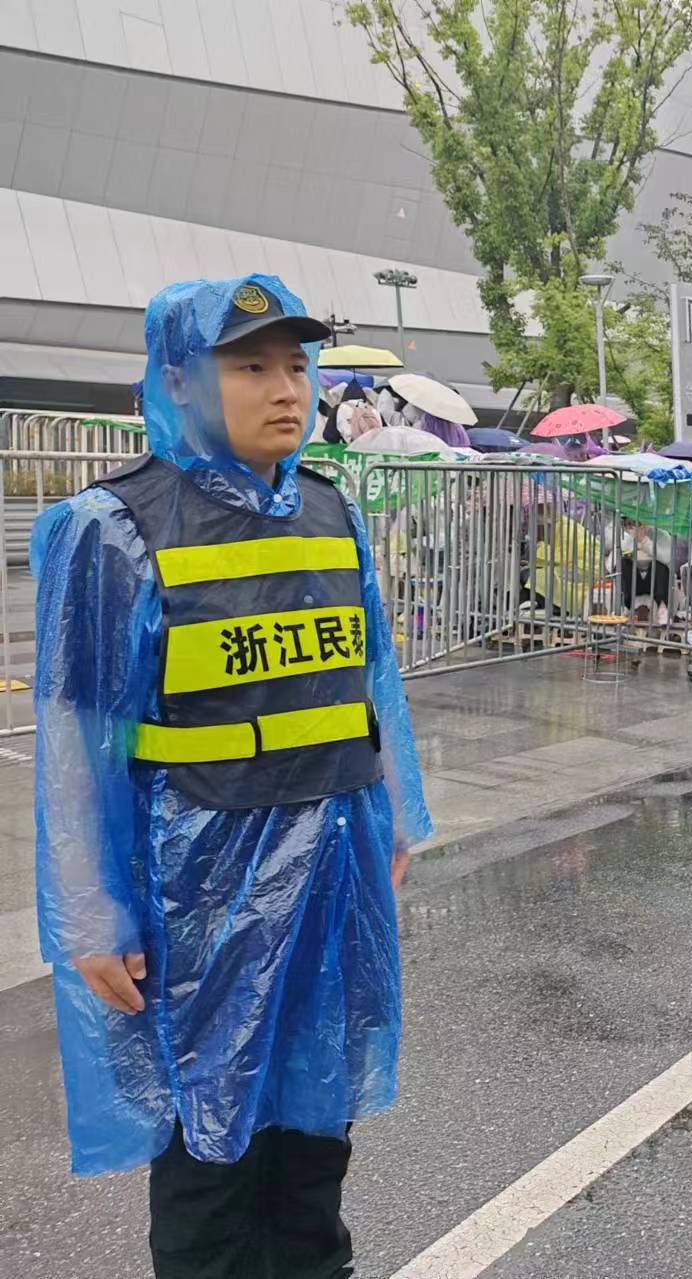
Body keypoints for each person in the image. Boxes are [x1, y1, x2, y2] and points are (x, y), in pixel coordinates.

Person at [31, 275, 431, 1277]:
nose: (286, 389)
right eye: (250, 365)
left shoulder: (331, 510)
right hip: (197, 900)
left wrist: (392, 818)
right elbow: (78, 743)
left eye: (296, 364)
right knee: (210, 1160)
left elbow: (373, 683)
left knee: (314, 1137)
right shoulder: (112, 528)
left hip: (331, 883)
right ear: (178, 381)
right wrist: (93, 914)